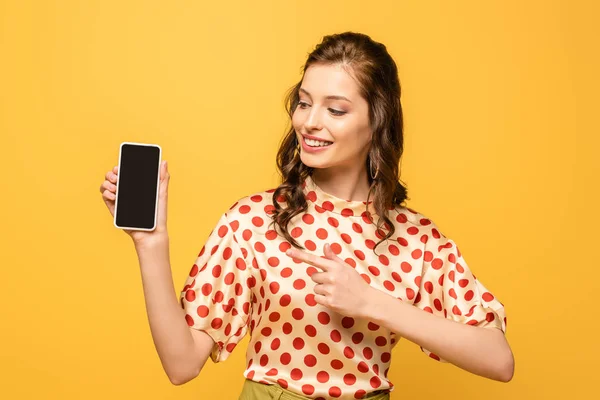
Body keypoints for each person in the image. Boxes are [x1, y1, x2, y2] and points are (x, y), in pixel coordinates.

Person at [100, 31, 513, 400]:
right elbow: (181, 364)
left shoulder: (416, 238)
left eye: (336, 110)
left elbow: (498, 360)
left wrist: (371, 301)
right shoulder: (254, 220)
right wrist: (150, 243)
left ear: (377, 122)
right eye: (303, 103)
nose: (309, 123)